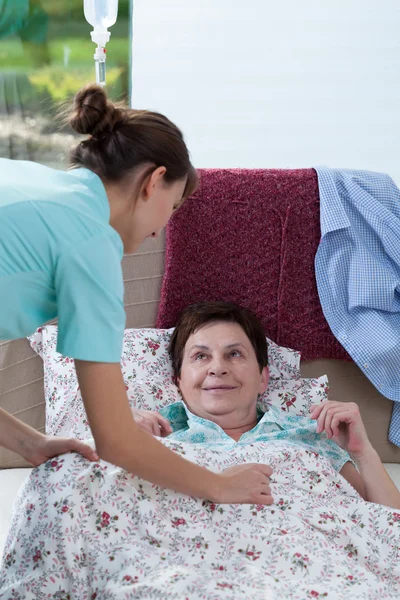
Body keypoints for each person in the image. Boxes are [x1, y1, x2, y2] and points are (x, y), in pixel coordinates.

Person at [0, 85, 272, 504]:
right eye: (175, 205)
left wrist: (31, 445)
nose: (162, 229)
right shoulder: (91, 242)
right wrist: (220, 485)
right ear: (154, 181)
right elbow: (116, 441)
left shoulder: (34, 181)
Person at [144, 300, 399, 509]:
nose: (218, 368)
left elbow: (388, 525)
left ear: (263, 378)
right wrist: (109, 439)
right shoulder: (151, 439)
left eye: (234, 354)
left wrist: (363, 453)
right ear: (178, 380)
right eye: (201, 356)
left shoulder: (311, 436)